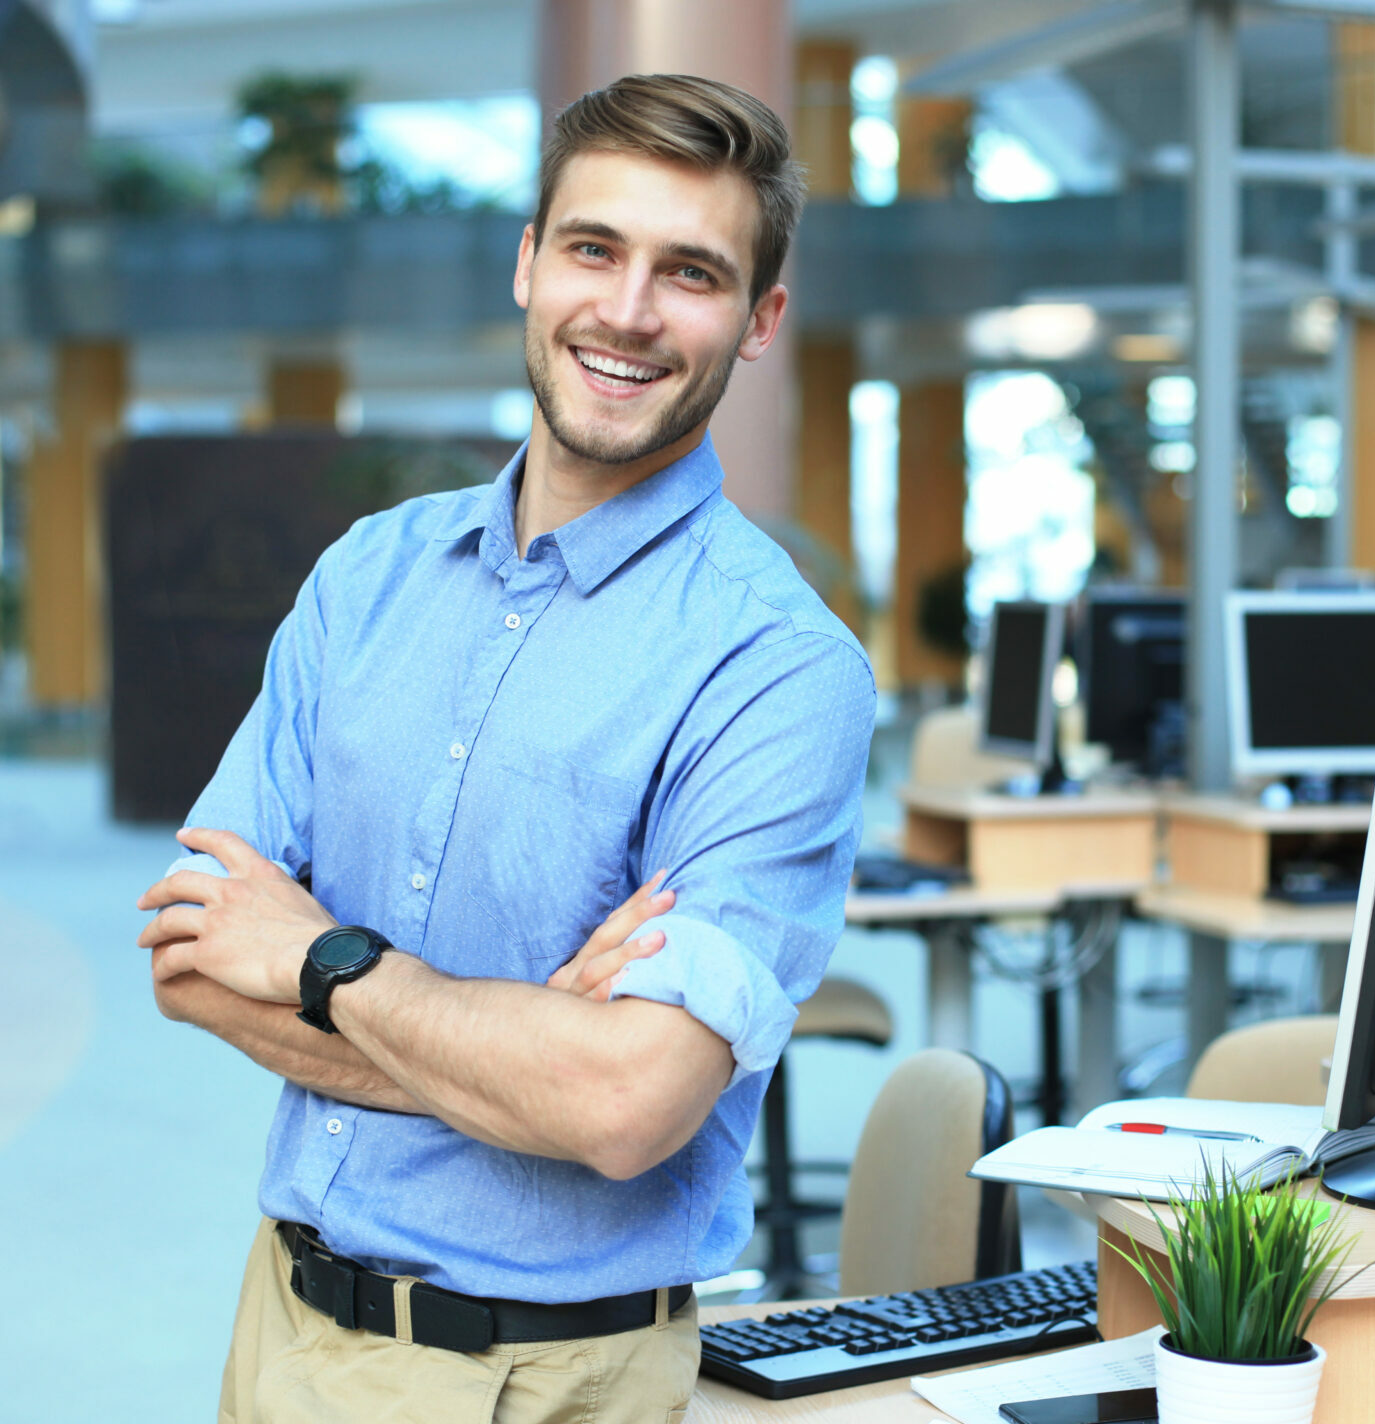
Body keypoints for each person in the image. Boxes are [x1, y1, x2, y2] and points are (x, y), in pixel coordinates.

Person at [138, 73, 876, 1423]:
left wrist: (319, 953)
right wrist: (523, 1045)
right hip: (282, 1332)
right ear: (530, 263)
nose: (630, 310)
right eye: (594, 248)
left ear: (761, 319)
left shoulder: (778, 669)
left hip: (549, 1381)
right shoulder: (366, 576)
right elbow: (192, 959)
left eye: (692, 271)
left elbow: (624, 1107)